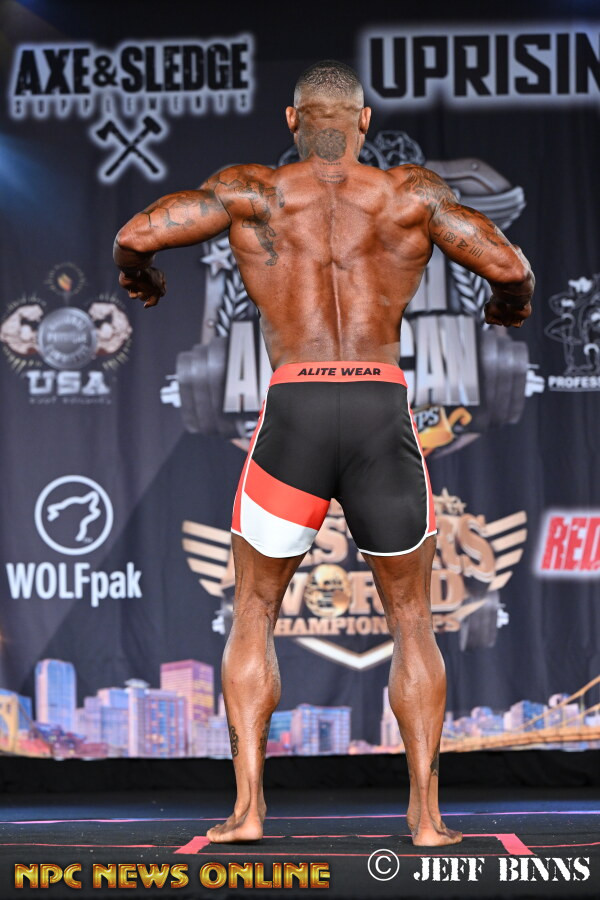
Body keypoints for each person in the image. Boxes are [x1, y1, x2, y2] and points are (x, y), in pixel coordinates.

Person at [114, 60, 534, 847]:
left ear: (292, 120)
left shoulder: (253, 191)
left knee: (254, 609)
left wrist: (142, 278)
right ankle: (427, 819)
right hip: (378, 409)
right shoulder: (409, 195)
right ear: (364, 121)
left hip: (296, 410)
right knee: (412, 618)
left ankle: (248, 811)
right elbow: (510, 267)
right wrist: (510, 303)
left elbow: (135, 236)